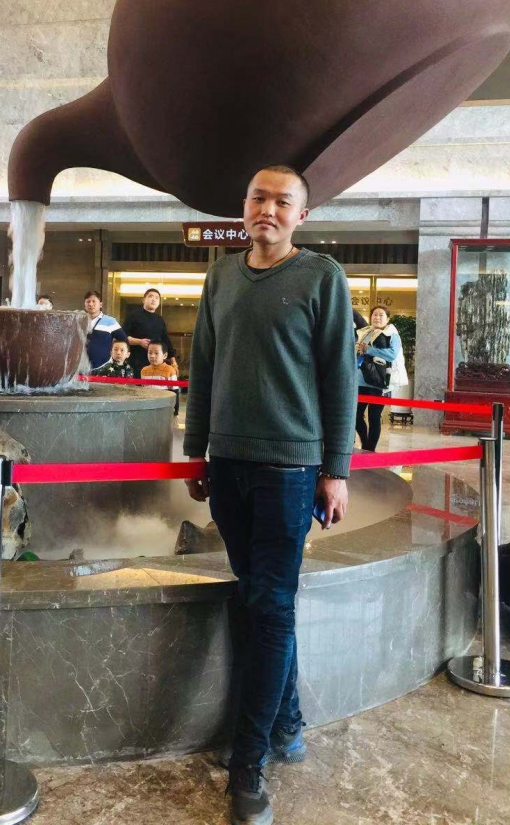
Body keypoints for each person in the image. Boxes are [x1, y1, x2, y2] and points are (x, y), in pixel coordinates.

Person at [184, 165, 356, 825]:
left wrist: (334, 469)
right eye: (259, 197)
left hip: (289, 468)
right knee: (259, 595)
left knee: (272, 604)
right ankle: (286, 725)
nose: (269, 209)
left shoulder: (321, 277)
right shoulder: (221, 276)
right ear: (244, 205)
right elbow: (203, 365)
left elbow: (339, 378)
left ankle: (249, 761)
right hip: (227, 464)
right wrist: (195, 448)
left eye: (284, 202)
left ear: (300, 216)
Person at [355, 305, 407, 452]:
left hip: (380, 382)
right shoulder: (366, 332)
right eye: (374, 315)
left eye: (381, 315)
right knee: (356, 416)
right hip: (361, 380)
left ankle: (370, 450)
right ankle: (365, 442)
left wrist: (369, 350)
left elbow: (392, 354)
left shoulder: (392, 334)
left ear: (387, 318)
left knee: (374, 416)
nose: (377, 317)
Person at [122, 288, 176, 377]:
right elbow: (123, 337)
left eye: (157, 298)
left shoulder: (160, 320)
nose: (154, 299)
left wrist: (173, 361)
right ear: (143, 300)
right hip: (136, 360)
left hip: (157, 363)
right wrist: (139, 342)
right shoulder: (133, 316)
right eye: (151, 296)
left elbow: (166, 341)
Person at [84, 291, 127, 370]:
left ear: (101, 304)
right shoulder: (79, 320)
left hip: (104, 367)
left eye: (94, 301)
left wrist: (115, 353)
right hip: (81, 367)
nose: (90, 304)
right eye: (88, 301)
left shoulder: (110, 321)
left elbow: (124, 340)